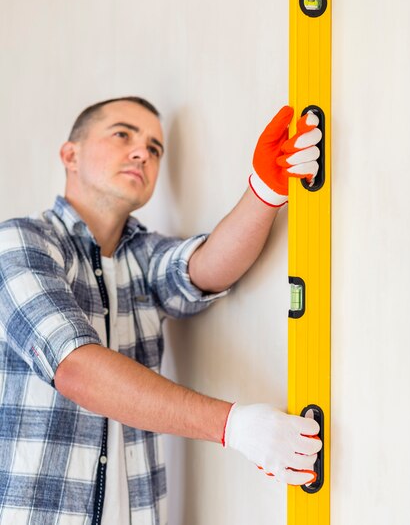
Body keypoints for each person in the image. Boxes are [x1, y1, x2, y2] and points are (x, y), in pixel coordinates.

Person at [0, 96, 322, 525]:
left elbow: (205, 268)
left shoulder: (141, 257)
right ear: (70, 155)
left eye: (155, 148)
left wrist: (265, 190)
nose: (142, 153)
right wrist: (235, 426)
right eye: (123, 134)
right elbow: (75, 367)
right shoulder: (20, 243)